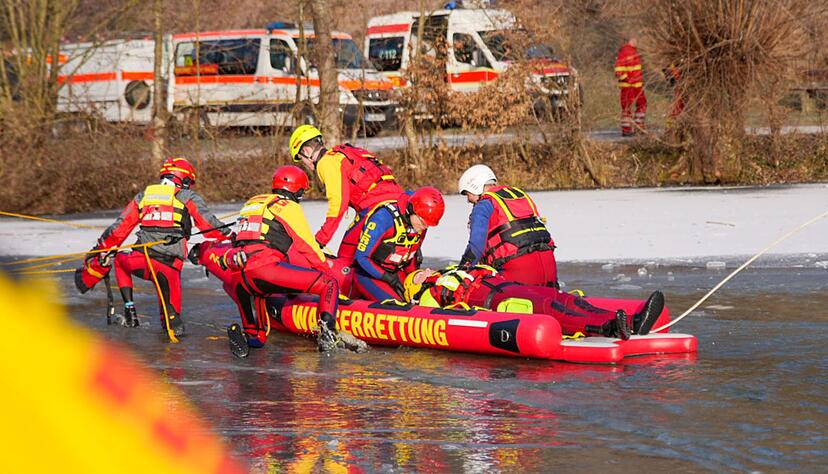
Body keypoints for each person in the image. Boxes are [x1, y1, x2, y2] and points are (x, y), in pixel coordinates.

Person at [81, 157, 232, 337]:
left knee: (119, 259)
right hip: (168, 267)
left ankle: (130, 311)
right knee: (172, 325)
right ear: (182, 179)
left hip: (140, 262)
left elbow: (119, 229)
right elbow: (209, 226)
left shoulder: (144, 196)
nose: (190, 186)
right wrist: (231, 235)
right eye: (189, 182)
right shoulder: (186, 196)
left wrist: (99, 248)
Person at [216, 165, 357, 353]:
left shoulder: (253, 204)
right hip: (264, 271)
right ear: (297, 190)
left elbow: (240, 239)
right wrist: (328, 276)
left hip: (241, 278)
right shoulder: (286, 206)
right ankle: (328, 336)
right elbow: (308, 247)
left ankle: (247, 336)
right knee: (329, 283)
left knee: (257, 337)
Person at [403, 265, 666, 338]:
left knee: (564, 298)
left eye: (421, 271)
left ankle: (632, 321)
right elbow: (441, 315)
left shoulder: (450, 270)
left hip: (512, 286)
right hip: (499, 300)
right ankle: (609, 327)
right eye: (417, 276)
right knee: (555, 309)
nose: (423, 272)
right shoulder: (427, 295)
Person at [288, 125, 403, 264]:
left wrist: (319, 241)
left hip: (376, 209)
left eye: (301, 159)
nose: (305, 164)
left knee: (345, 257)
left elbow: (338, 206)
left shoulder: (326, 163)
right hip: (400, 204)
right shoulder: (345, 152)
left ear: (306, 151)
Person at [457, 164, 558, 287]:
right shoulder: (519, 195)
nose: (468, 200)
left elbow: (476, 246)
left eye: (467, 194)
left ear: (475, 187)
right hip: (550, 269)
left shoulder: (483, 205)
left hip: (519, 273)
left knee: (476, 288)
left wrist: (461, 272)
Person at [352, 187, 445, 301]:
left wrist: (416, 277)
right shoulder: (383, 218)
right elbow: (361, 258)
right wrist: (388, 278)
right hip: (369, 274)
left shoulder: (420, 224)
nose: (424, 227)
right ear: (412, 210)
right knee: (396, 305)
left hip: (396, 273)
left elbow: (411, 255)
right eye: (422, 222)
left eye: (428, 225)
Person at [614, 35, 647, 136]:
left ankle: (638, 126)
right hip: (629, 86)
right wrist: (629, 80)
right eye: (636, 40)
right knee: (627, 107)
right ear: (632, 40)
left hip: (637, 85)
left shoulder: (634, 51)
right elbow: (618, 71)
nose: (637, 42)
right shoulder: (624, 52)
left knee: (642, 104)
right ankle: (627, 129)